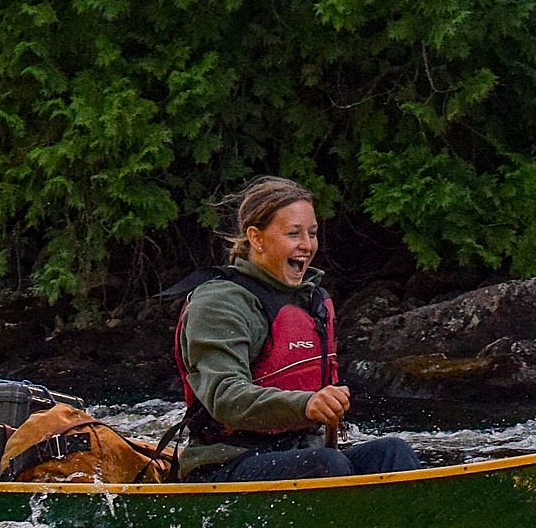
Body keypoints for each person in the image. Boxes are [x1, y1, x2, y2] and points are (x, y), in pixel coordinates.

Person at [173, 176, 420, 482]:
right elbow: (225, 397)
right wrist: (305, 405)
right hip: (226, 463)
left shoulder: (312, 300)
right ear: (257, 238)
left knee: (393, 452)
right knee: (328, 466)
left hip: (302, 453)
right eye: (293, 234)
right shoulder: (219, 303)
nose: (307, 245)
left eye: (312, 233)